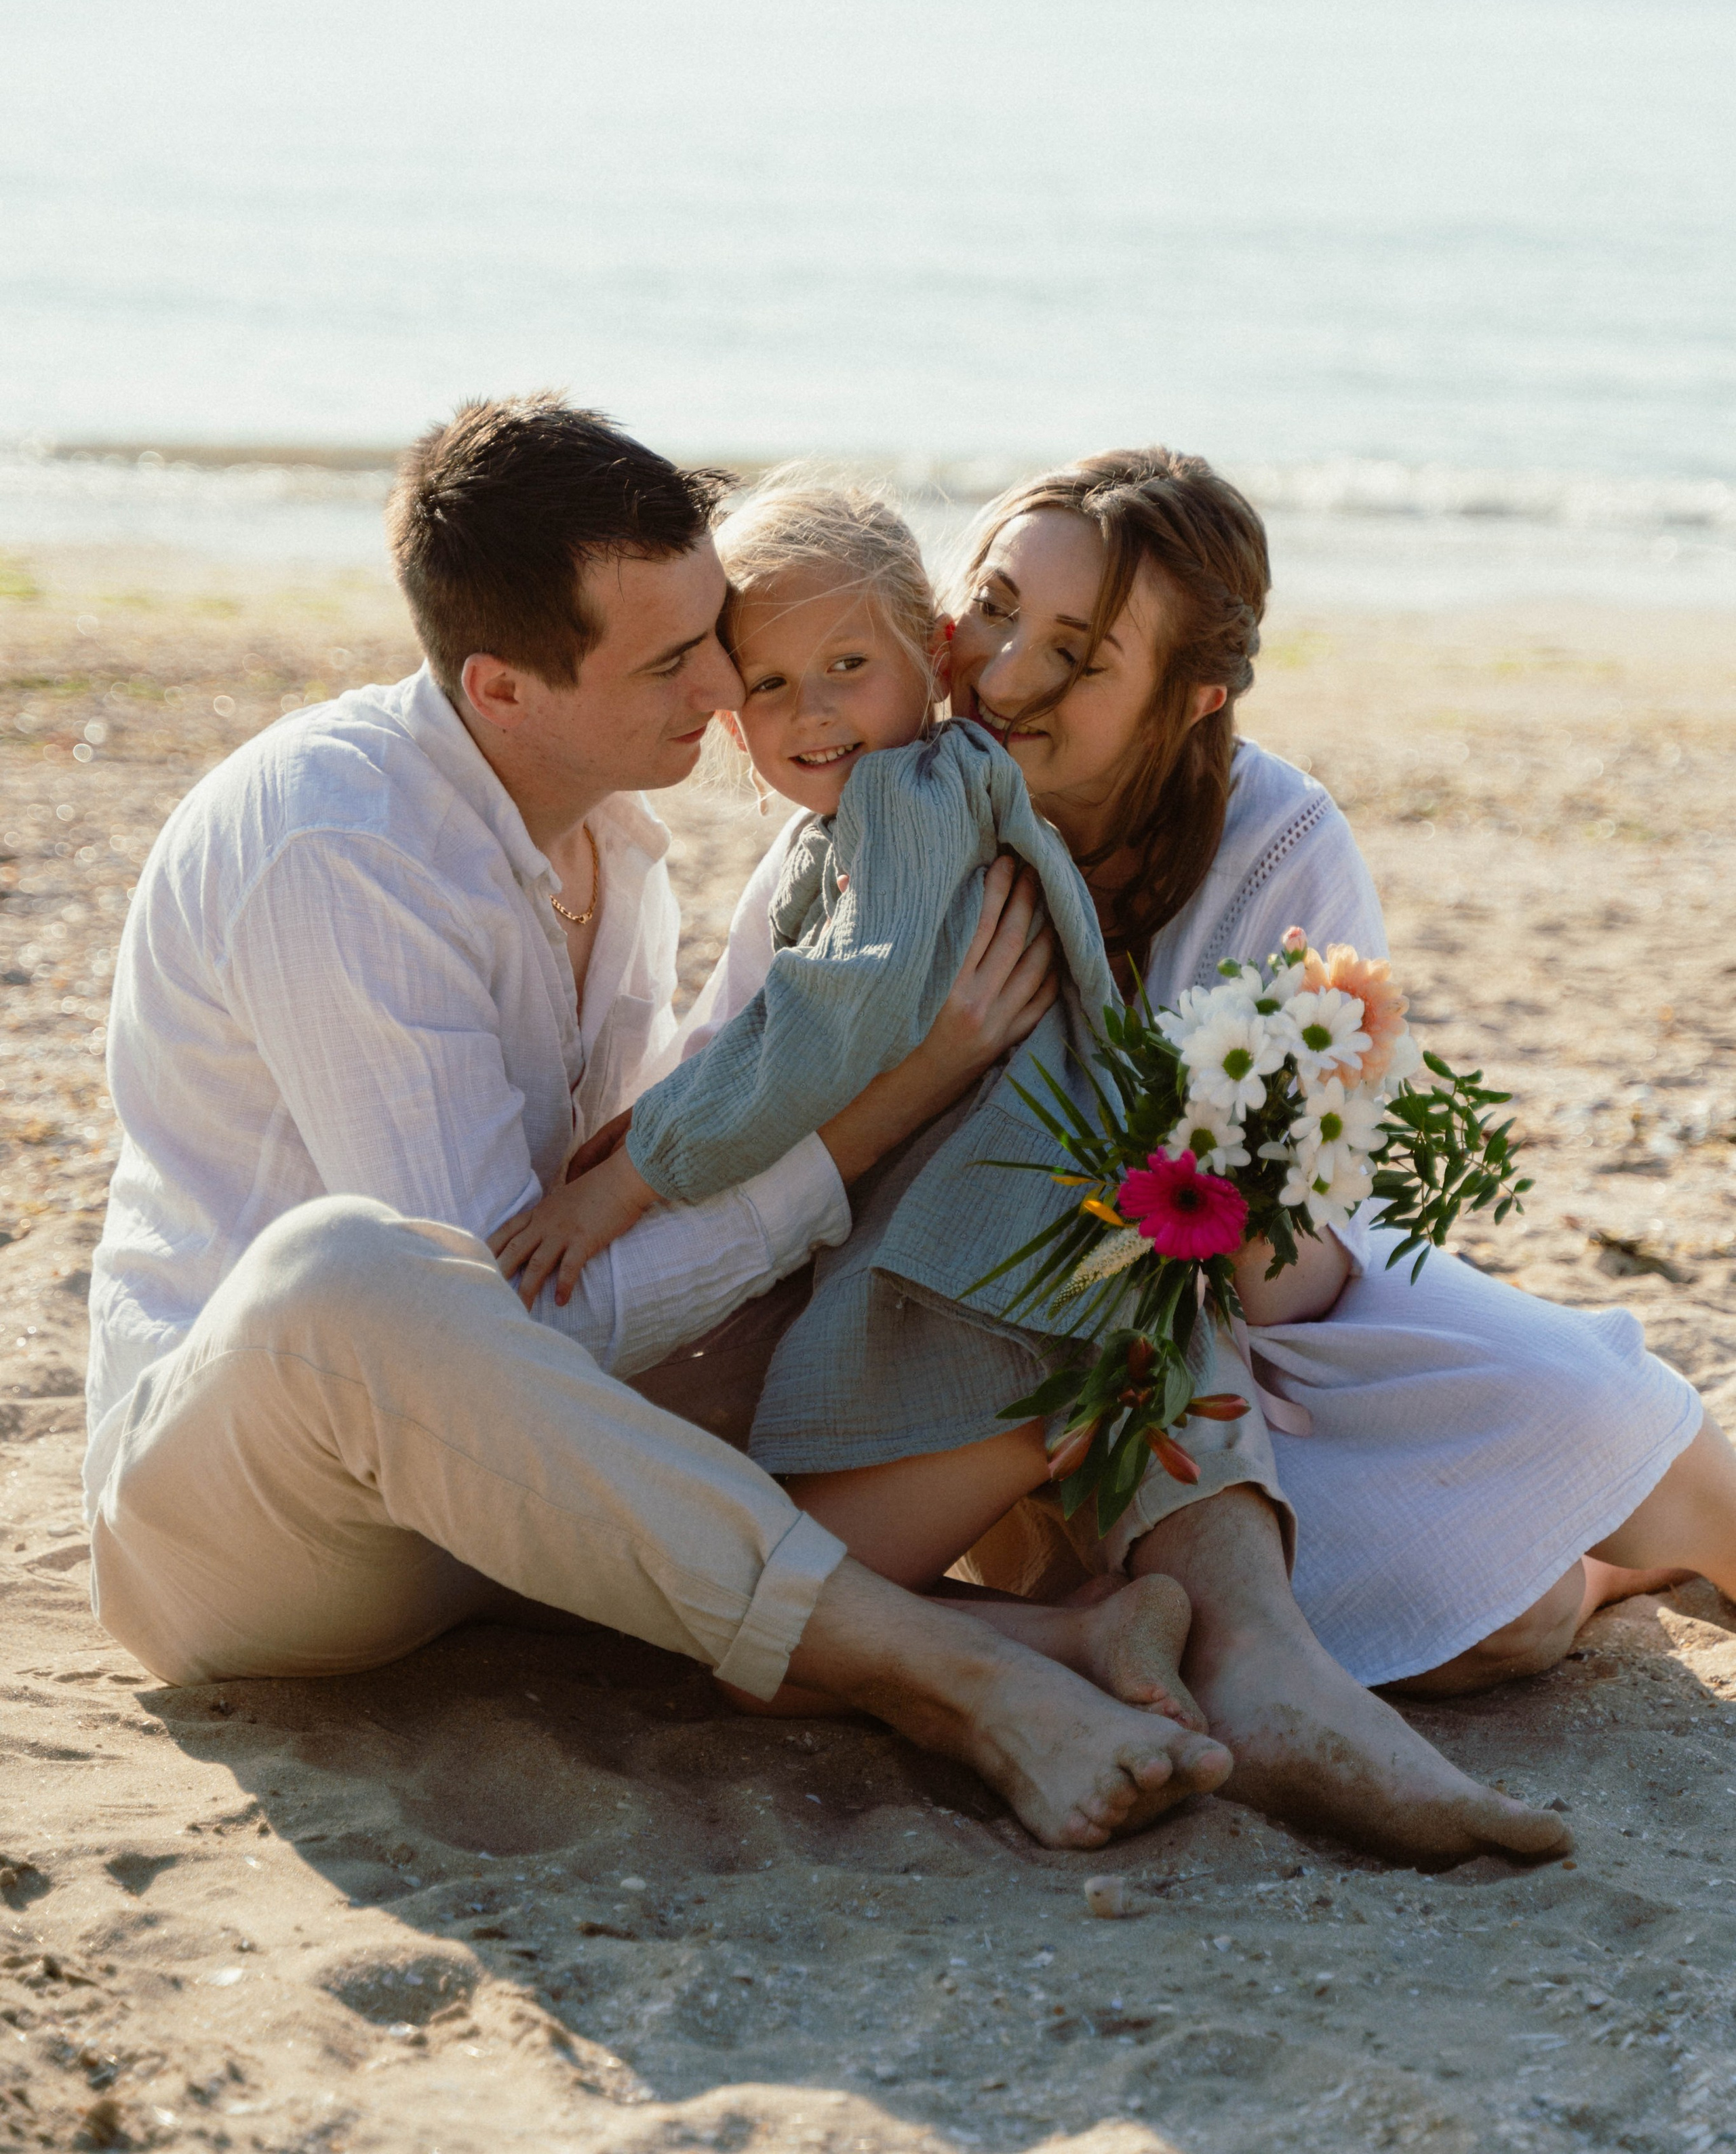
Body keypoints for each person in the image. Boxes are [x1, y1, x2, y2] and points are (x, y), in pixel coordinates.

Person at [80, 396, 1231, 1851]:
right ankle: (945, 1669)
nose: (724, 690)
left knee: (883, 1279)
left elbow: (619, 1244)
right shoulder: (336, 840)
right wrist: (863, 1125)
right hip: (258, 1533)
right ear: (502, 690)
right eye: (679, 657)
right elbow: (506, 1330)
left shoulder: (617, 849)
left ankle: (1075, 1636)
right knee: (353, 1271)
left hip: (503, 1520)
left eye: (714, 633)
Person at [604, 450, 1729, 1864]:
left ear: (1187, 696)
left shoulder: (1271, 844)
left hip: (1266, 1324)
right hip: (985, 1361)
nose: (1003, 673)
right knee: (1474, 1623)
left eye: (1073, 653)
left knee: (1586, 1410)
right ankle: (1550, 1595)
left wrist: (1190, 1187)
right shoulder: (868, 823)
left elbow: (1302, 1274)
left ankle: (1624, 1554)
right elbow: (739, 1106)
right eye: (992, 608)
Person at [493, 472, 1210, 1721]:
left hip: (1002, 1295)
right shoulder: (871, 816)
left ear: (932, 659)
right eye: (770, 684)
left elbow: (834, 1025)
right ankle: (1085, 1630)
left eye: (847, 666)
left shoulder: (912, 806)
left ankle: (1084, 1625)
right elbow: (759, 1021)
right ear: (729, 715)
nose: (812, 712)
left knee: (759, 1627)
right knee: (756, 1601)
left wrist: (628, 1179)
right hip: (971, 1274)